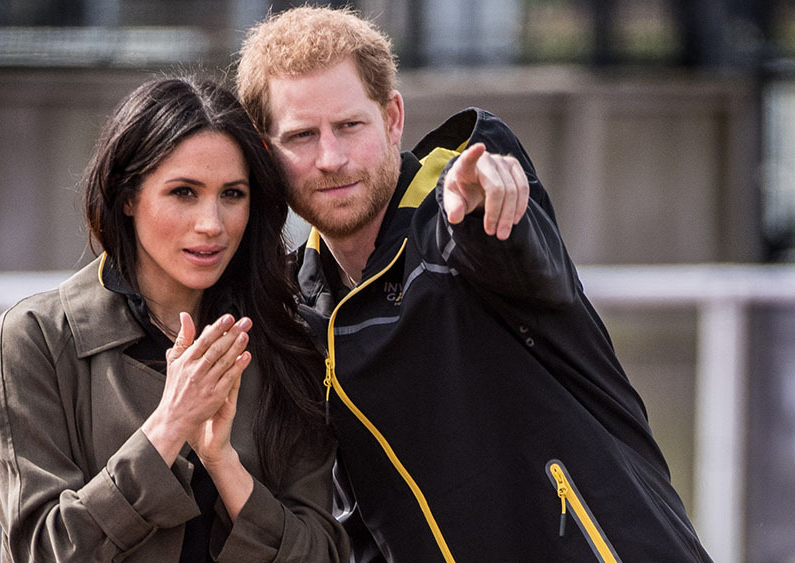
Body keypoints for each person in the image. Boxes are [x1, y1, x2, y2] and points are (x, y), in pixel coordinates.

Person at [236, 6, 712, 562]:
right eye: (302, 136)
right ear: (267, 153)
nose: (332, 158)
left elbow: (521, 258)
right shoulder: (299, 318)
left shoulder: (458, 220)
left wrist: (481, 216)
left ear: (392, 119)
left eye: (349, 125)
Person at [0, 76, 349, 562]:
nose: (212, 224)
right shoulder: (36, 339)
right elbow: (44, 551)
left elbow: (323, 553)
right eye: (183, 192)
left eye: (232, 194)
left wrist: (224, 466)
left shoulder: (287, 341)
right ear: (128, 195)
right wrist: (169, 426)